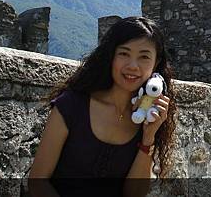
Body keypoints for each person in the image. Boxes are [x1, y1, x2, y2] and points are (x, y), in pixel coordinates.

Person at [29, 16, 176, 197]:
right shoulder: (72, 105)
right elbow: (38, 182)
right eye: (124, 53)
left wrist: (148, 138)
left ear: (156, 63)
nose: (133, 66)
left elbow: (134, 194)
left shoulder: (146, 117)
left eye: (144, 57)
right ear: (110, 55)